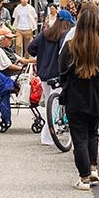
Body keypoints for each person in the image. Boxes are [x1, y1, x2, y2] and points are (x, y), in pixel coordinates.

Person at [59, 5, 99, 191]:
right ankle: (93, 168)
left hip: (75, 97)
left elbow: (62, 72)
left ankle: (83, 178)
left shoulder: (70, 47)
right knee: (93, 134)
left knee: (79, 138)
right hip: (97, 98)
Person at [30, 9, 75, 146]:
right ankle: (48, 135)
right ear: (67, 23)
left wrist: (41, 55)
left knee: (50, 103)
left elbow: (31, 49)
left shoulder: (44, 34)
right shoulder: (65, 36)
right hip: (58, 75)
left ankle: (50, 134)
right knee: (55, 106)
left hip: (44, 75)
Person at [0, 27, 35, 127]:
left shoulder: (8, 50)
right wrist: (22, 69)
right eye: (9, 38)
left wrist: (36, 61)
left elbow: (22, 60)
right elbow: (9, 66)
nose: (11, 40)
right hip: (5, 77)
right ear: (2, 39)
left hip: (15, 75)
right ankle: (6, 118)